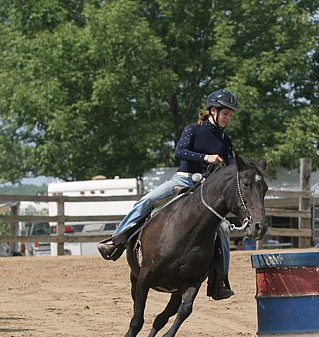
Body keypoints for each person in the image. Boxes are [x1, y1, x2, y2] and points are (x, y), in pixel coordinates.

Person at [98, 88, 240, 300]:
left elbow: (232, 168)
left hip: (205, 190)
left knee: (224, 228)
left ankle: (220, 279)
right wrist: (206, 158)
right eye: (225, 113)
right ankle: (116, 240)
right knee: (147, 200)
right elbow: (179, 152)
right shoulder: (192, 129)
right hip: (182, 179)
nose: (228, 118)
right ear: (213, 111)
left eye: (230, 115)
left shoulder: (225, 141)